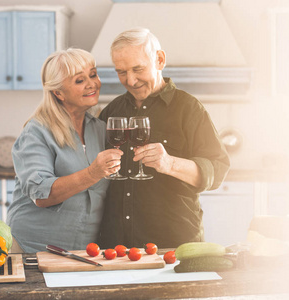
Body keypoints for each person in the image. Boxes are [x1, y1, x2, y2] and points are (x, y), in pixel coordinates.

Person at [98, 28, 230, 249]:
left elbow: (217, 171)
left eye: (138, 69)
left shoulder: (189, 108)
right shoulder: (113, 110)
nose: (130, 80)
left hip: (174, 245)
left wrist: (170, 163)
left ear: (159, 60)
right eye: (121, 72)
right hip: (117, 247)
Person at [6, 48, 123, 253]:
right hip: (32, 249)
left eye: (93, 75)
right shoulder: (37, 132)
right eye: (79, 80)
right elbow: (42, 195)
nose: (92, 84)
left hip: (80, 251)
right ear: (58, 92)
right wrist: (92, 173)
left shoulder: (100, 129)